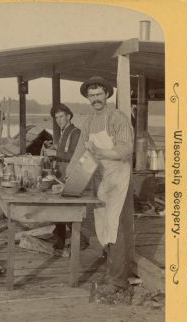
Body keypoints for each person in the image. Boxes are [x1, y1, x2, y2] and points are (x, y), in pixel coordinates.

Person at [67, 76, 134, 294]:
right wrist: (69, 176)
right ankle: (111, 274)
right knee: (104, 227)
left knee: (116, 228)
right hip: (101, 180)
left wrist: (101, 152)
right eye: (91, 95)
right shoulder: (88, 122)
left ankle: (118, 281)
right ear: (88, 97)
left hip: (118, 179)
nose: (95, 99)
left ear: (106, 94)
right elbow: (79, 152)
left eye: (99, 94)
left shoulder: (117, 117)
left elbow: (125, 150)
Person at [48, 103, 81, 255]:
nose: (59, 120)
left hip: (69, 173)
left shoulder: (75, 132)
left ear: (69, 116)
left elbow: (74, 155)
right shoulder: (63, 132)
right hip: (60, 173)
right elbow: (63, 152)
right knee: (58, 207)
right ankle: (60, 237)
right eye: (56, 118)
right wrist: (55, 149)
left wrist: (54, 153)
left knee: (66, 208)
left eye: (62, 116)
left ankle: (72, 240)